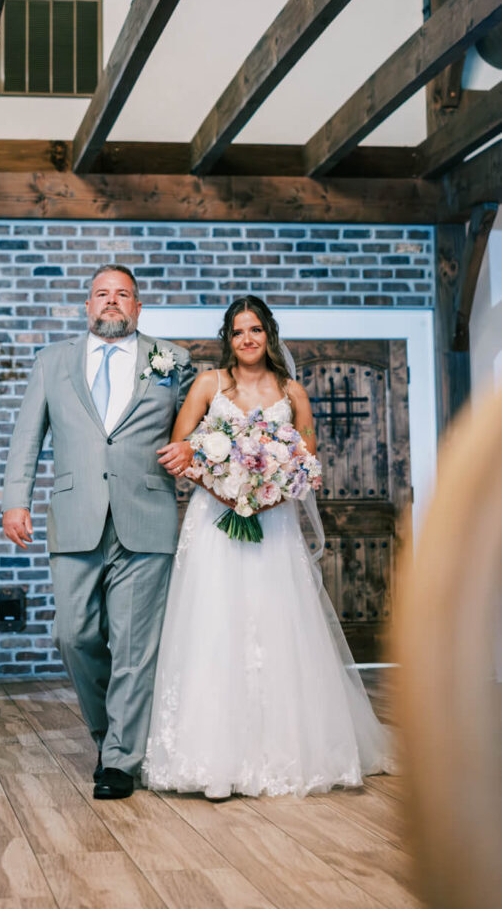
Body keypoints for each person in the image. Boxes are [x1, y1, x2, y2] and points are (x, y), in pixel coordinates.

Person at [143, 295, 394, 799]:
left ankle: (283, 753)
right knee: (215, 627)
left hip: (273, 523)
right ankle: (211, 759)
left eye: (255, 330)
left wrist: (262, 493)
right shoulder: (209, 385)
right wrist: (229, 491)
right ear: (228, 339)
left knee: (276, 626)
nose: (247, 340)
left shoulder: (293, 392)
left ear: (269, 334)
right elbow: (182, 450)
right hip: (215, 519)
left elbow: (304, 462)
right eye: (238, 332)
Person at [2, 264, 194, 799]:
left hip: (147, 517)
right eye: (101, 294)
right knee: (75, 635)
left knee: (135, 645)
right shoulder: (52, 361)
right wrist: (15, 501)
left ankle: (119, 761)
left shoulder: (173, 361)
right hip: (75, 517)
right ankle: (110, 733)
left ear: (138, 308)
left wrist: (195, 449)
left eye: (123, 295)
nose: (111, 302)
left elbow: (199, 428)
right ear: (87, 306)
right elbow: (27, 437)